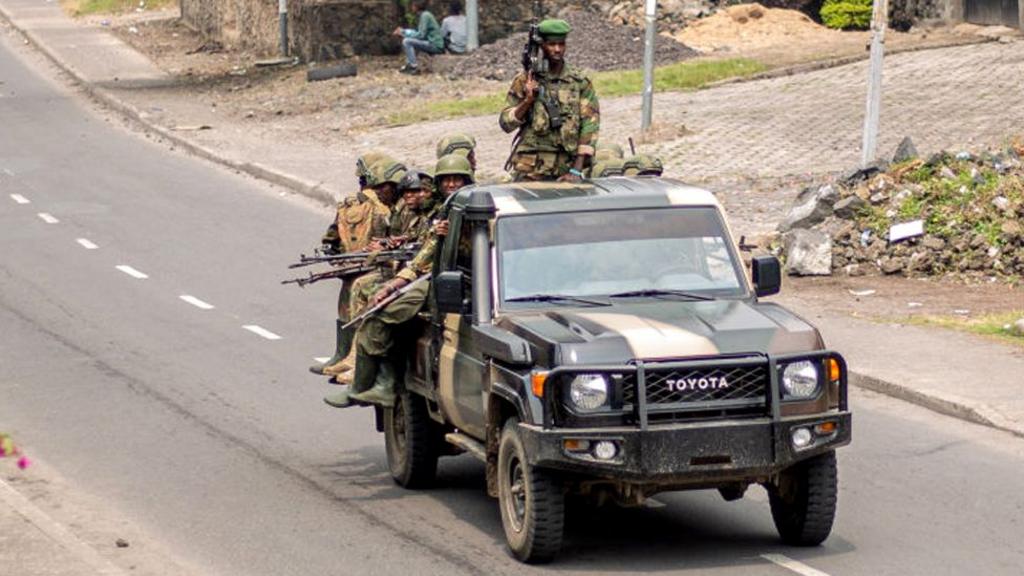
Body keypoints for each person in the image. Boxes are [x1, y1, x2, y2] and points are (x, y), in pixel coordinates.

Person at [331, 154, 474, 409]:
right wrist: (396, 282)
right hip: (432, 274)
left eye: (457, 180)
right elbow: (426, 252)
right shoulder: (445, 211)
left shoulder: (475, 208)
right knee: (378, 305)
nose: (452, 185)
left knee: (383, 314)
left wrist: (456, 234)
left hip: (461, 281)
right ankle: (366, 385)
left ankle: (373, 385)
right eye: (447, 180)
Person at [309, 152, 395, 377]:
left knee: (352, 307)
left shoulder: (358, 204)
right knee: (350, 308)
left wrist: (335, 255)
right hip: (368, 267)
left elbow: (331, 238)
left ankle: (351, 357)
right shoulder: (384, 206)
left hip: (365, 269)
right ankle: (345, 354)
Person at [499, 19, 600, 182]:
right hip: (530, 170)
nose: (557, 49)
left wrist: (576, 170)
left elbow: (590, 125)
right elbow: (505, 123)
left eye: (561, 44)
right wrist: (527, 101)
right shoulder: (525, 80)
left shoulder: (579, 81)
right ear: (542, 46)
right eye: (552, 44)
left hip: (566, 168)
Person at [393, 0, 444, 75]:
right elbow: (417, 32)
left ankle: (413, 66)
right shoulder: (424, 15)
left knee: (407, 41)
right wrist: (404, 31)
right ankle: (409, 64)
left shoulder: (425, 16)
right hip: (430, 42)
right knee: (409, 41)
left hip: (434, 44)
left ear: (416, 6)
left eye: (413, 5)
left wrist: (403, 34)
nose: (411, 7)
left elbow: (421, 35)